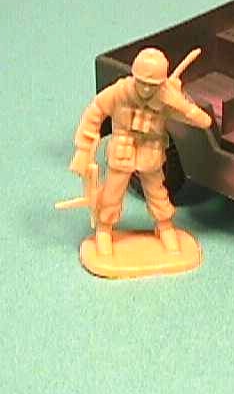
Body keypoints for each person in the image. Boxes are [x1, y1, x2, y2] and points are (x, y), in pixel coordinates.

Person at [69, 47, 211, 256]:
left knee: (157, 193)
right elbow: (95, 111)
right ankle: (104, 229)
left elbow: (203, 121)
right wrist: (84, 147)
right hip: (122, 149)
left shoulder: (165, 98)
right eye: (142, 82)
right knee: (112, 193)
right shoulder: (120, 92)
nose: (145, 89)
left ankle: (164, 226)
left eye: (152, 85)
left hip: (150, 152)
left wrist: (179, 101)